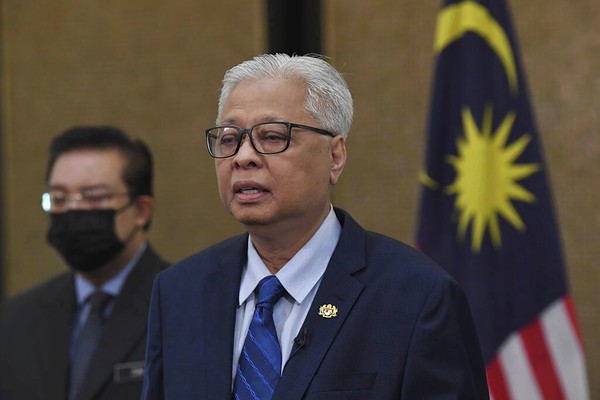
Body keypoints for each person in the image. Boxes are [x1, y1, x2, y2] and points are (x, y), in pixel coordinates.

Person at [141, 54, 489, 399]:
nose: (242, 157)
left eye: (273, 137)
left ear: (335, 156)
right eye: (230, 139)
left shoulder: (417, 297)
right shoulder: (180, 292)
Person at [0, 126, 169, 400]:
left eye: (94, 197)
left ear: (140, 211)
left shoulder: (182, 305)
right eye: (59, 198)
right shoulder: (16, 319)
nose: (73, 209)